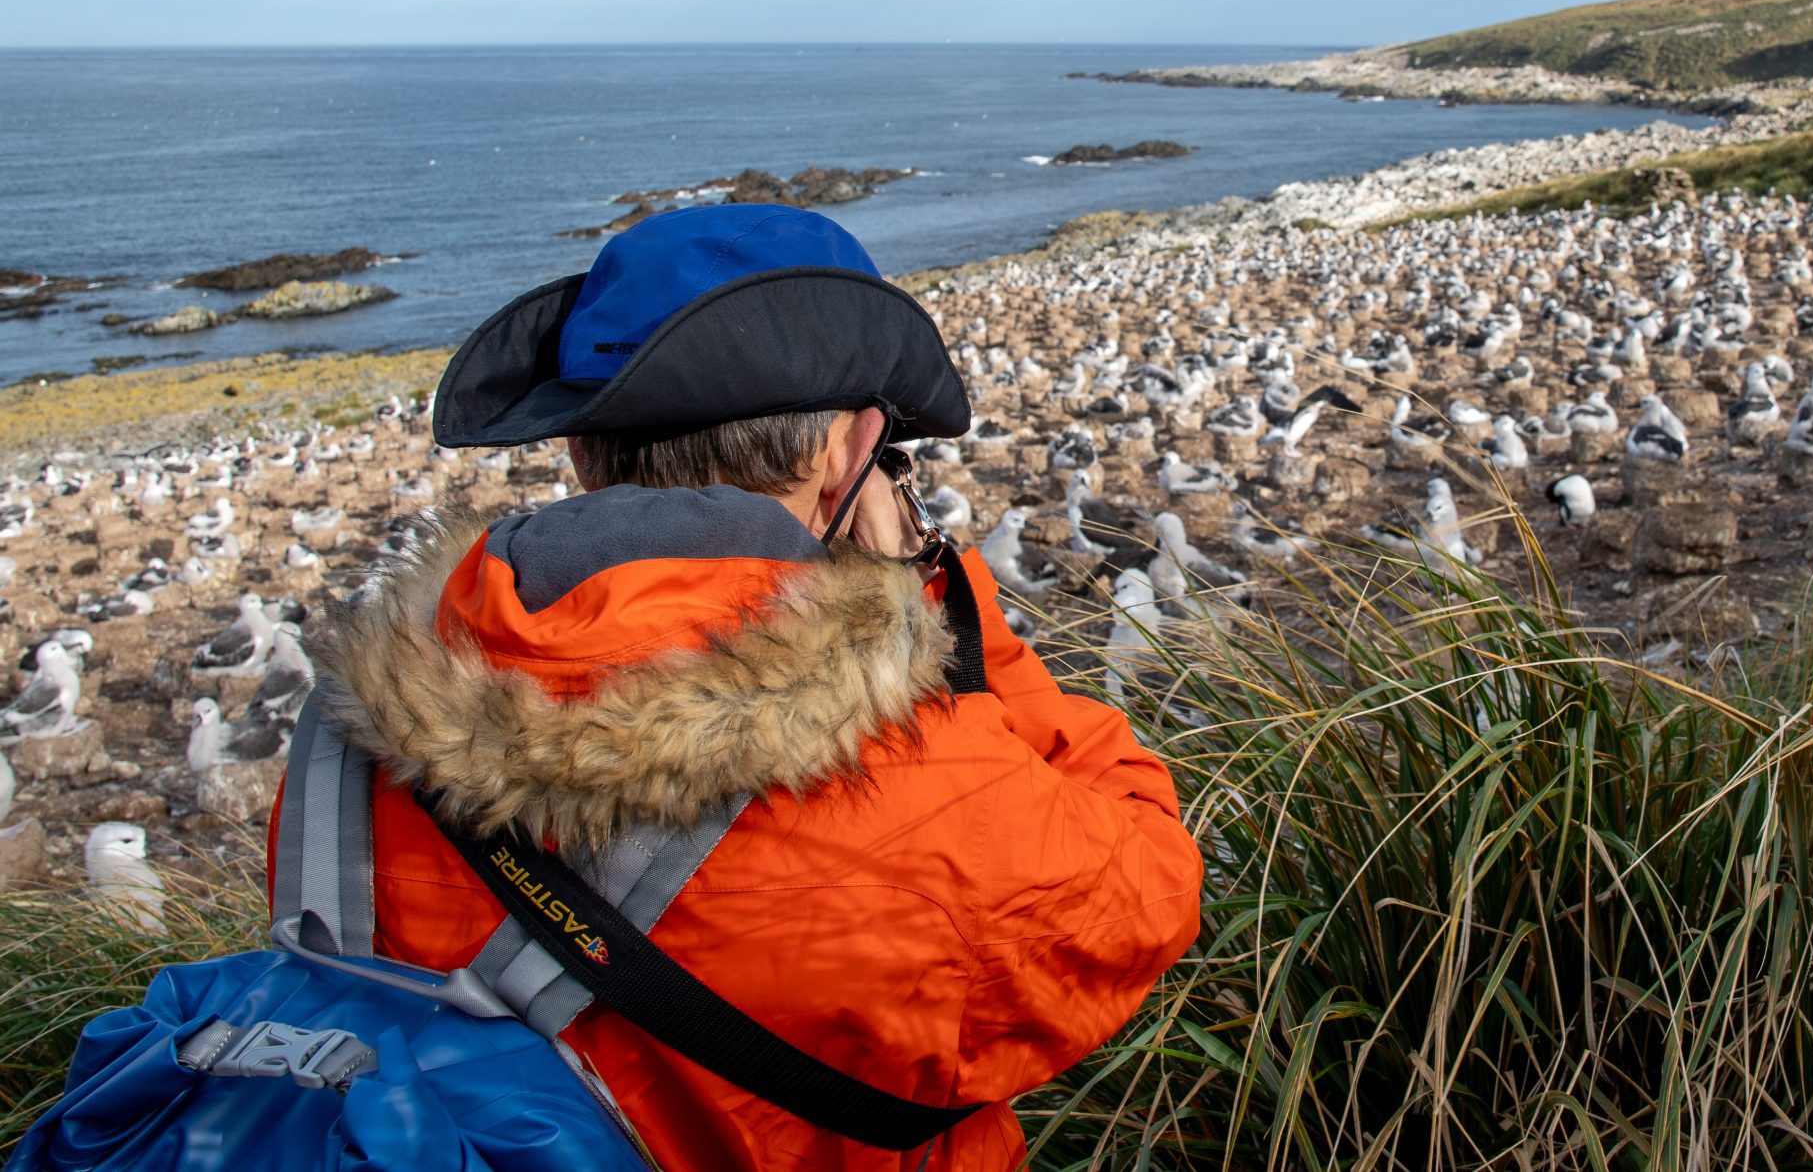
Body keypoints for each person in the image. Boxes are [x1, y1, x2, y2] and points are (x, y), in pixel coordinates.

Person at [272, 204, 1203, 1170]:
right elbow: (1150, 886)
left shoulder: (346, 734)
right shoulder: (930, 789)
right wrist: (943, 602)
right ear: (852, 452)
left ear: (581, 449)